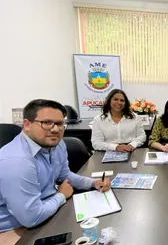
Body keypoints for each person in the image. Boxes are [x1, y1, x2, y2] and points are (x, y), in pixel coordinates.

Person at [0, 99, 111, 232]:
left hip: (48, 209)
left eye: (59, 123)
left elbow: (64, 175)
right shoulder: (17, 161)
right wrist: (61, 195)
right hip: (16, 229)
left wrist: (92, 183)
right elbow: (31, 217)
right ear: (27, 125)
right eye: (46, 123)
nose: (55, 129)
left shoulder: (57, 144)